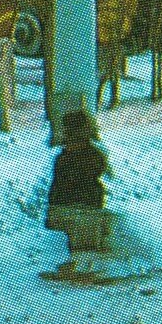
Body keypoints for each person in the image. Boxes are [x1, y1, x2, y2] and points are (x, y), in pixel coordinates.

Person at [42, 106, 111, 273]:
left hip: (85, 205)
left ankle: (86, 264)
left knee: (85, 229)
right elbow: (58, 185)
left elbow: (92, 177)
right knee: (77, 230)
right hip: (68, 206)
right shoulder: (65, 158)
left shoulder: (90, 156)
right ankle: (78, 263)